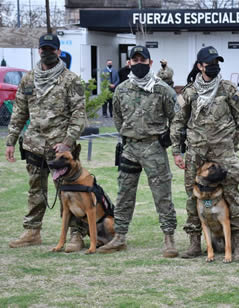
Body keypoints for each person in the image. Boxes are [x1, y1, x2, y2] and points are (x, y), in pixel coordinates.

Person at [5, 33, 88, 252]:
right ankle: (32, 231)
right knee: (35, 189)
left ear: (59, 52)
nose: (47, 53)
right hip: (34, 143)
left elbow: (79, 114)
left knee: (69, 191)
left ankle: (76, 234)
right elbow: (20, 111)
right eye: (44, 49)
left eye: (52, 49)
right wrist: (11, 140)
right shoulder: (29, 79)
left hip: (60, 147)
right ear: (39, 50)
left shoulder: (71, 80)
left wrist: (68, 142)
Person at [98, 46, 179, 258]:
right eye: (135, 60)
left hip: (154, 147)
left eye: (143, 60)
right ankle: (120, 236)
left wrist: (169, 137)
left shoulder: (162, 89)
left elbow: (177, 118)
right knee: (124, 193)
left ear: (150, 63)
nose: (139, 63)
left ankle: (169, 238)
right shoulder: (121, 89)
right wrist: (128, 135)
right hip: (130, 148)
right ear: (129, 63)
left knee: (162, 195)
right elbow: (117, 118)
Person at [170, 46, 239, 261]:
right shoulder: (189, 92)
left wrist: (232, 143)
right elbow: (178, 122)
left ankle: (238, 243)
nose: (214, 67)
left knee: (232, 193)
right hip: (196, 152)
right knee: (192, 195)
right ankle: (195, 242)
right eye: (210, 63)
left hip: (223, 150)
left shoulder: (228, 89)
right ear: (199, 66)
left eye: (217, 63)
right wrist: (177, 150)